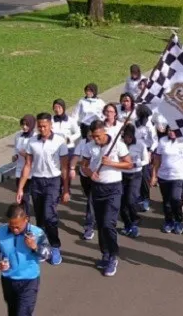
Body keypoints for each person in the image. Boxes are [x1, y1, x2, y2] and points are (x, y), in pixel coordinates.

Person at [16, 113, 70, 266]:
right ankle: (42, 247)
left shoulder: (60, 141)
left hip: (53, 182)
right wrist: (20, 188)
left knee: (49, 215)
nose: (42, 129)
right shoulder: (32, 141)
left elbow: (64, 167)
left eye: (45, 126)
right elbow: (27, 165)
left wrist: (65, 189)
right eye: (39, 126)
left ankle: (55, 246)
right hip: (37, 182)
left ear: (51, 125)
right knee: (40, 218)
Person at [81, 120, 133, 276]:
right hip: (97, 188)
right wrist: (90, 173)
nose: (96, 139)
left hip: (114, 188)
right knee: (101, 225)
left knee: (108, 223)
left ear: (104, 132)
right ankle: (105, 253)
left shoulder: (118, 144)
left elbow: (129, 164)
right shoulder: (89, 146)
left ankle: (113, 255)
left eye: (98, 136)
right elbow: (83, 166)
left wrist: (112, 163)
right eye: (93, 136)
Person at [0, 203, 51, 316]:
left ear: (26, 219)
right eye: (11, 226)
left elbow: (48, 255)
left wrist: (35, 247)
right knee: (12, 311)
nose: (15, 230)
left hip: (29, 281)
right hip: (8, 280)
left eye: (18, 226)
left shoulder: (37, 233)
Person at [151, 130, 183, 234]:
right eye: (170, 130)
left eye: (174, 130)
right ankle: (168, 221)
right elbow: (157, 159)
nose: (171, 132)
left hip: (178, 176)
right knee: (166, 202)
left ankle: (178, 220)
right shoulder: (162, 141)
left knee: (175, 198)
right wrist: (154, 175)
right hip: (163, 176)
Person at [119, 124, 146, 238]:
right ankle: (127, 224)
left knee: (130, 200)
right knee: (121, 204)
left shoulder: (140, 145)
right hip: (121, 175)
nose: (128, 139)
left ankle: (134, 221)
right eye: (126, 136)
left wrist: (134, 164)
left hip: (135, 175)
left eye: (130, 137)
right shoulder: (119, 145)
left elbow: (146, 160)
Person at [13, 115, 35, 217]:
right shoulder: (18, 135)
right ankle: (22, 215)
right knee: (20, 194)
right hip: (19, 169)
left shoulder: (35, 137)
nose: (25, 127)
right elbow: (16, 150)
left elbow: (37, 155)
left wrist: (26, 155)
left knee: (25, 195)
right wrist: (16, 156)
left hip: (31, 171)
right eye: (23, 124)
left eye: (27, 125)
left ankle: (26, 217)